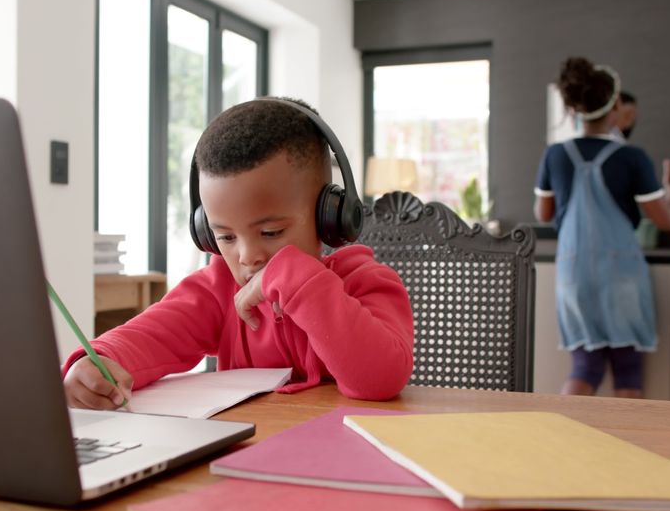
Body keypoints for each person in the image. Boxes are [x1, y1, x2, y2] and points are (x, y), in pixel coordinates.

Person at [63, 97, 414, 409]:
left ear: (330, 216)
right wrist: (98, 362)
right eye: (226, 237)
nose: (248, 256)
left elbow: (380, 380)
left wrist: (297, 279)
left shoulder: (367, 283)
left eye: (271, 232)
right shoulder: (217, 291)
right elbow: (148, 337)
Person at [533, 57, 670, 398]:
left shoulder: (555, 155)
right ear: (616, 105)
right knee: (627, 369)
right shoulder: (632, 158)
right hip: (621, 274)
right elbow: (664, 220)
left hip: (573, 273)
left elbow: (543, 213)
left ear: (576, 107)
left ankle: (563, 444)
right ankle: (626, 449)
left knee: (585, 367)